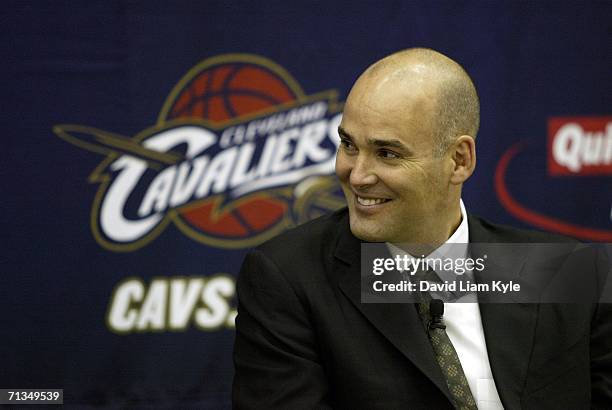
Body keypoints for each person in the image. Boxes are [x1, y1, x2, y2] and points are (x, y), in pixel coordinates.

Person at [232, 48, 611, 409]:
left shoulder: (567, 274)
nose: (357, 175)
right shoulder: (290, 280)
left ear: (459, 161)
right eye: (348, 145)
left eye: (388, 154)